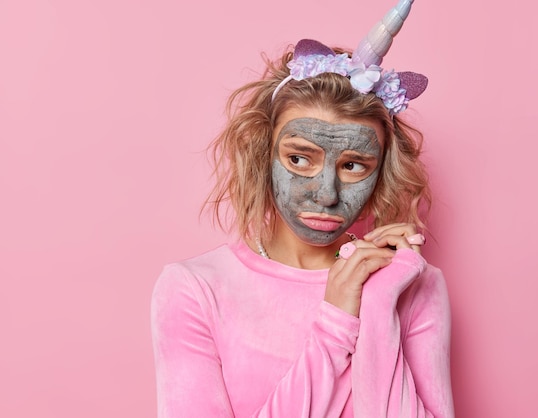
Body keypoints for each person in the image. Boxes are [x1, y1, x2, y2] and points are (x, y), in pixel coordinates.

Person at [151, 0, 454, 416]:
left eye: (352, 165)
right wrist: (336, 325)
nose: (326, 194)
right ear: (263, 154)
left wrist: (379, 302)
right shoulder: (194, 289)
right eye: (299, 159)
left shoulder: (413, 283)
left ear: (380, 171)